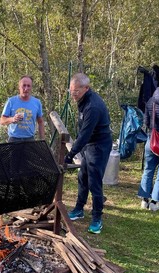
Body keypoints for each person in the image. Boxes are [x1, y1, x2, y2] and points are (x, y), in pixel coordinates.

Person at [64, 73, 112, 234]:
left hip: (99, 146)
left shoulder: (92, 106)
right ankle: (79, 209)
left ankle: (97, 219)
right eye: (71, 91)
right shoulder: (83, 101)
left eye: (76, 90)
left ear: (86, 88)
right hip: (90, 144)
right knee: (82, 176)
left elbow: (84, 134)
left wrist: (70, 155)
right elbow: (83, 132)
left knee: (94, 182)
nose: (73, 94)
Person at [0, 75, 45, 142]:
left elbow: (40, 122)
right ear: (19, 87)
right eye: (24, 85)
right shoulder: (11, 101)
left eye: (28, 86)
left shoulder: (37, 102)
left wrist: (42, 141)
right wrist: (12, 119)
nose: (26, 88)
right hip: (14, 140)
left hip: (30, 140)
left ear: (31, 88)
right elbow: (2, 121)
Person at [138, 87, 159, 211]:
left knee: (148, 169)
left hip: (152, 139)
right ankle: (155, 202)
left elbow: (146, 122)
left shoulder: (151, 101)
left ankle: (144, 200)